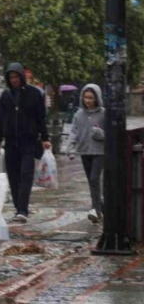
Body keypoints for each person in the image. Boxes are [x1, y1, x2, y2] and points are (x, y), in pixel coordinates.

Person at [0, 63, 51, 223]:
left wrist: (45, 138)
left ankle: (23, 209)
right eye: (11, 77)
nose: (14, 80)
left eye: (16, 77)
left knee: (26, 174)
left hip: (28, 141)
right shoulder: (5, 96)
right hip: (10, 142)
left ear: (21, 76)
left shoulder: (34, 94)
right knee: (13, 176)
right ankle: (18, 207)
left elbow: (41, 118)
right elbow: (0, 119)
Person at [66, 84, 105, 223]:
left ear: (97, 98)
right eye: (85, 97)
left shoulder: (103, 114)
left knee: (94, 178)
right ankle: (102, 207)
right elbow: (74, 132)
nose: (87, 100)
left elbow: (111, 134)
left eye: (91, 98)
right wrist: (70, 149)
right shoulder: (78, 114)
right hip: (84, 152)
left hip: (99, 152)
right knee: (91, 181)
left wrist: (100, 133)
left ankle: (95, 210)